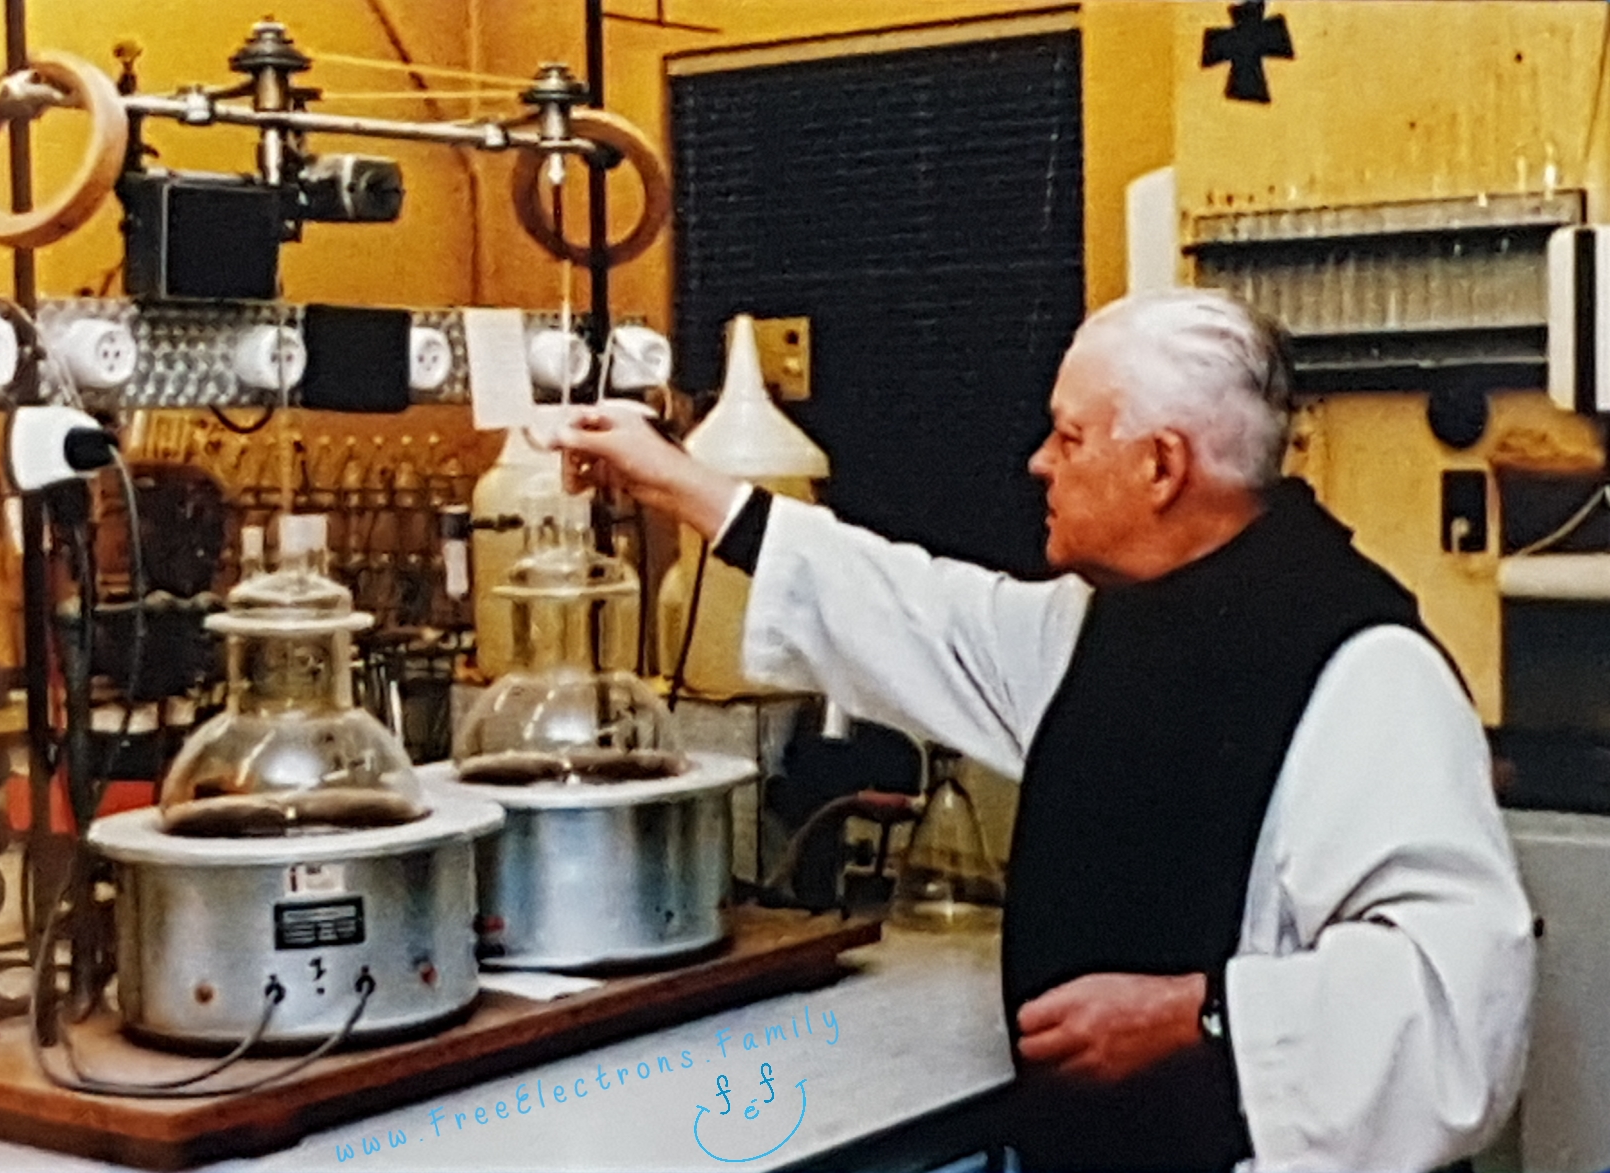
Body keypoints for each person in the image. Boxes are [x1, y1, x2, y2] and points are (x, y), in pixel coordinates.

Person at [555, 288, 1534, 1172]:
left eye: (1069, 438)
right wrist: (676, 483)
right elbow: (916, 611)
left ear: (1161, 466)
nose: (1038, 463)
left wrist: (1200, 1017)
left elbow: (1458, 991)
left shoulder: (1363, 668)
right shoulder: (1103, 622)